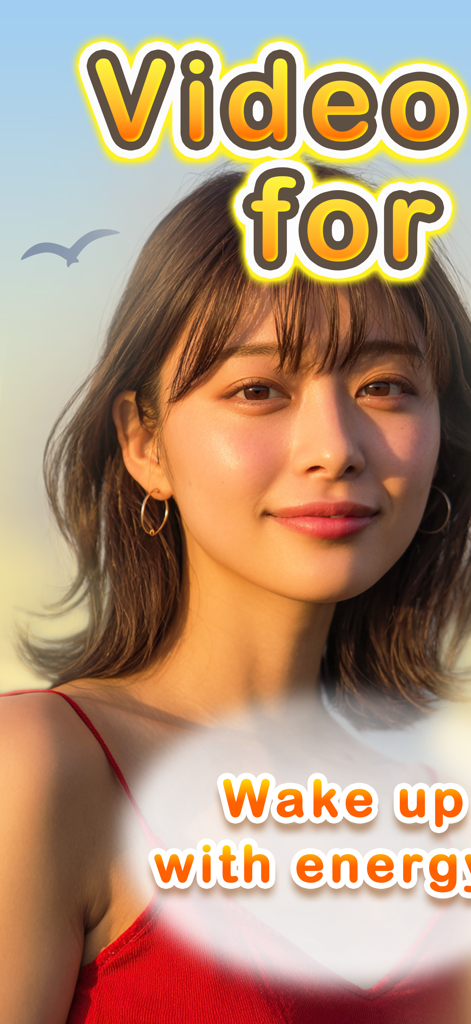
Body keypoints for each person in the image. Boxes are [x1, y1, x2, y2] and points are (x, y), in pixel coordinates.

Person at [2, 164, 471, 1023]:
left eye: (384, 386)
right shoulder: (40, 765)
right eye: (258, 390)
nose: (334, 447)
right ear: (144, 443)